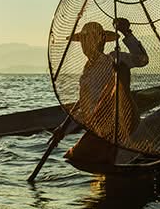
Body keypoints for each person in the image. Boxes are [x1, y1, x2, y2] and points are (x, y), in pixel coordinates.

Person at [63, 18, 148, 165]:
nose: (86, 45)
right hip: (99, 129)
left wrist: (127, 33)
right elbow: (86, 105)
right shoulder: (86, 71)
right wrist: (63, 129)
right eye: (84, 41)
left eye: (91, 40)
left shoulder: (115, 58)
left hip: (120, 125)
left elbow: (142, 60)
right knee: (72, 157)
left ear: (101, 42)